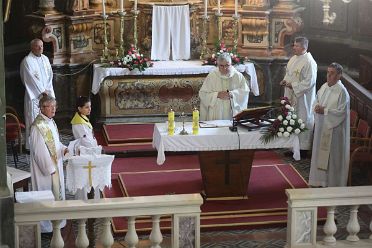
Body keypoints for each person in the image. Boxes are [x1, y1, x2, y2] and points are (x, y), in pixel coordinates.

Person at [29, 95, 68, 232]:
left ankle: (57, 222)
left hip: (55, 167)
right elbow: (39, 152)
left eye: (55, 106)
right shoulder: (38, 127)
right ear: (42, 108)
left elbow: (55, 143)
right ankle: (46, 228)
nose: (53, 109)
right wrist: (51, 168)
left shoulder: (51, 122)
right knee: (46, 196)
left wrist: (64, 149)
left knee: (56, 195)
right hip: (46, 172)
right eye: (50, 107)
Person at [308, 63, 350, 187]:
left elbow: (341, 113)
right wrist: (316, 107)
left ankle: (332, 182)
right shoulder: (324, 86)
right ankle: (320, 180)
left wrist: (325, 111)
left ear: (339, 76)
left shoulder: (342, 92)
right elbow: (316, 100)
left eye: (332, 73)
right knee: (319, 155)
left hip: (335, 131)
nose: (329, 75)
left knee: (332, 158)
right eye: (328, 72)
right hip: (322, 127)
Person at [280, 37, 317, 156]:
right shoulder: (293, 58)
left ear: (304, 47)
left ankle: (303, 149)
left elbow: (309, 82)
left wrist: (293, 86)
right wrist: (285, 81)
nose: (294, 47)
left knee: (303, 119)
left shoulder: (309, 62)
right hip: (292, 95)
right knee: (292, 118)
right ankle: (292, 147)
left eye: (296, 46)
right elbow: (289, 73)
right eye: (294, 45)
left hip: (303, 99)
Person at [20, 38, 55, 150]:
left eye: (42, 46)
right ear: (32, 47)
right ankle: (33, 146)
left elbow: (50, 75)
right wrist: (41, 91)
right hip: (34, 96)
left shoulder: (45, 59)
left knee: (46, 120)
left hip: (46, 96)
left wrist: (48, 90)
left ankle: (45, 144)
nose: (40, 48)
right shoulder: (27, 61)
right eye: (37, 46)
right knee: (34, 120)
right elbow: (29, 78)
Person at [199, 53, 249, 121]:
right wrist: (217, 95)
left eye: (227, 65)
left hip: (232, 111)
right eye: (221, 66)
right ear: (218, 65)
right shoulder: (212, 76)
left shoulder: (238, 76)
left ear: (231, 64)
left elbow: (245, 92)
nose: (225, 68)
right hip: (216, 112)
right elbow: (203, 94)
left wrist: (232, 94)